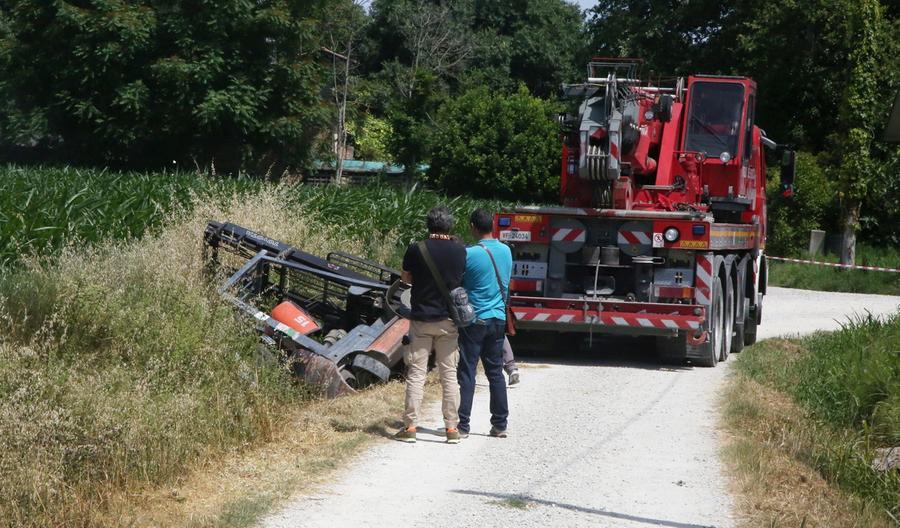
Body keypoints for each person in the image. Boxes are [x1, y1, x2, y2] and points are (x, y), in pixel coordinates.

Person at [395, 205, 467, 444]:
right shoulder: (460, 250)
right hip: (448, 321)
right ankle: (451, 429)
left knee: (416, 374)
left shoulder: (417, 248)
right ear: (449, 225)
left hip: (421, 319)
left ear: (429, 225)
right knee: (449, 375)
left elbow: (405, 278)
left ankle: (411, 427)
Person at [457, 208, 512, 438]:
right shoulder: (507, 251)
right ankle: (500, 424)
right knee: (495, 372)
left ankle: (463, 426)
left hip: (475, 320)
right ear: (493, 225)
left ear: (473, 227)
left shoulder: (469, 254)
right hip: (498, 319)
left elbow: (459, 284)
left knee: (468, 371)